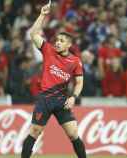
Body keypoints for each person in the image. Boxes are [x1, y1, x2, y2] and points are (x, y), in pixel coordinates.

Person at [21, 2, 86, 158]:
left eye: (62, 40)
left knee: (73, 133)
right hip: (44, 100)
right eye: (57, 39)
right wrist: (43, 15)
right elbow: (33, 34)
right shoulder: (48, 51)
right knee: (35, 132)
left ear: (69, 45)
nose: (57, 42)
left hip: (61, 101)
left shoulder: (75, 61)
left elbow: (79, 82)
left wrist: (73, 97)